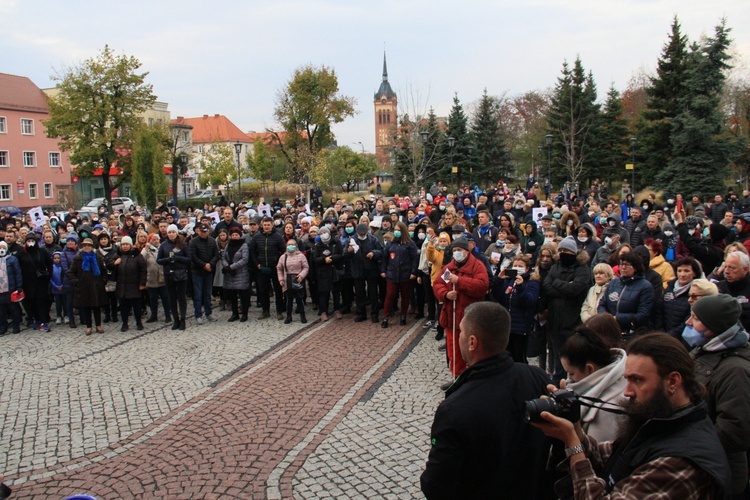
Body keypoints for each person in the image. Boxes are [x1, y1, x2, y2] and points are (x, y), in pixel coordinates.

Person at [534, 332, 731, 499]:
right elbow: (611, 455)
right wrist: (573, 426)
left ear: (673, 381)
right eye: (627, 379)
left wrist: (573, 443)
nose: (627, 392)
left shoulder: (681, 463)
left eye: (637, 380)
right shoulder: (663, 420)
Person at [420, 302, 551, 499]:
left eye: (461, 332)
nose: (459, 337)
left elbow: (436, 484)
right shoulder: (538, 377)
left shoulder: (455, 408)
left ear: (472, 342)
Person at [685, 294, 750, 498]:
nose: (687, 322)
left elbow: (734, 431)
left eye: (695, 318)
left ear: (713, 326)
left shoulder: (736, 370)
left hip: (719, 471)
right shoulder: (703, 351)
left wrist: (686, 444)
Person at [432, 238, 490, 385]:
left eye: (459, 250)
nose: (457, 253)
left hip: (470, 318)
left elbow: (482, 286)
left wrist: (460, 282)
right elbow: (438, 284)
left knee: (471, 351)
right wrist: (445, 294)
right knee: (454, 352)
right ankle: (457, 378)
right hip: (452, 318)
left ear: (467, 251)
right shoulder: (449, 268)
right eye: (454, 251)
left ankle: (473, 380)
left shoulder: (477, 266)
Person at [560, 327, 627, 442]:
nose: (568, 380)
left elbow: (596, 457)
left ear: (589, 369)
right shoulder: (618, 379)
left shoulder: (607, 411)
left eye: (571, 373)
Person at [542, 236, 591, 382]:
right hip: (555, 320)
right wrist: (565, 286)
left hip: (572, 320)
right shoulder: (555, 267)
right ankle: (557, 382)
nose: (563, 253)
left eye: (566, 250)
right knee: (557, 355)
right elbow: (546, 287)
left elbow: (575, 289)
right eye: (561, 250)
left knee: (572, 356)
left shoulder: (583, 269)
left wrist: (557, 283)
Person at [492, 254, 540, 363]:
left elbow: (529, 301)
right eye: (515, 265)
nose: (517, 268)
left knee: (519, 357)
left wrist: (520, 287)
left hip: (521, 326)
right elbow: (498, 296)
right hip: (507, 325)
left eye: (520, 266)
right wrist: (499, 280)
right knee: (506, 357)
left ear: (527, 268)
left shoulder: (532, 282)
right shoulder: (508, 280)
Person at [597, 251, 655, 337]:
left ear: (635, 267)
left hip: (632, 333)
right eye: (621, 264)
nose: (623, 267)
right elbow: (602, 304)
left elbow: (643, 315)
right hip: (610, 330)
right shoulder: (613, 283)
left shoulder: (645, 286)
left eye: (627, 264)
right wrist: (606, 318)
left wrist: (617, 318)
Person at [380, 221, 419, 328]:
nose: (396, 232)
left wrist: (413, 272)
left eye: (399, 230)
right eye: (395, 230)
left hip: (405, 274)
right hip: (391, 274)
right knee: (390, 295)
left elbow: (414, 259)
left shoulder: (410, 244)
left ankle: (403, 315)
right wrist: (383, 271)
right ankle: (386, 317)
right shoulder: (390, 244)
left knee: (405, 296)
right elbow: (385, 258)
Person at [250, 217, 286, 320]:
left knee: (278, 290)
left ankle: (279, 311)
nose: (266, 227)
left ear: (272, 225)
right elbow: (252, 251)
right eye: (264, 225)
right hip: (261, 267)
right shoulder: (257, 237)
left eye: (268, 225)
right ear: (262, 225)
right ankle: (265, 311)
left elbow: (283, 251)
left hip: (275, 267)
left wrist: (279, 264)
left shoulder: (278, 237)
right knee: (263, 290)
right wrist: (257, 264)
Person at [67, 238, 106, 335]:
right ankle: (89, 326)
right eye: (85, 246)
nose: (87, 247)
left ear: (92, 247)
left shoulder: (98, 257)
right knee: (86, 308)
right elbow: (71, 272)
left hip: (96, 286)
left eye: (88, 245)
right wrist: (76, 282)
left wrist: (103, 281)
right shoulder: (78, 258)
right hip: (84, 286)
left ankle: (98, 325)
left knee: (97, 307)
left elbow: (103, 270)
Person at [347, 223, 383, 323]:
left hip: (371, 269)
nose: (362, 236)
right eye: (360, 234)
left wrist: (374, 253)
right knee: (359, 293)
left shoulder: (373, 239)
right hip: (358, 269)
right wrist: (348, 251)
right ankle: (361, 313)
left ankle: (374, 314)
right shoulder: (351, 240)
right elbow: (345, 255)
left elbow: (381, 251)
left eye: (364, 234)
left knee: (373, 293)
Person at [109, 235, 147, 332]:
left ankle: (139, 322)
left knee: (136, 306)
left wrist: (142, 283)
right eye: (123, 244)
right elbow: (109, 266)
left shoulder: (137, 255)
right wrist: (114, 264)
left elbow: (143, 270)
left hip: (134, 284)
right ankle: (124, 323)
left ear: (130, 245)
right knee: (123, 307)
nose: (125, 246)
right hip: (121, 285)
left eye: (127, 244)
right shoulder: (117, 255)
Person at [659, 257, 701, 340]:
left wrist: (670, 336)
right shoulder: (670, 287)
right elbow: (659, 311)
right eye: (679, 271)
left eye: (686, 271)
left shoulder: (697, 292)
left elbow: (690, 319)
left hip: (682, 339)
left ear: (694, 273)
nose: (682, 274)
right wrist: (660, 333)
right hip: (662, 336)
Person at [17, 233, 52, 331]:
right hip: (27, 282)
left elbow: (49, 264)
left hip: (41, 281)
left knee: (42, 301)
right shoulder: (22, 253)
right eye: (28, 241)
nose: (30, 243)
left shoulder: (42, 251)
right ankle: (36, 319)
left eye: (32, 240)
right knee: (30, 302)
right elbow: (18, 268)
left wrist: (48, 276)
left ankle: (44, 321)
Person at [157, 225, 190, 330]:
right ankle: (175, 319)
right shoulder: (163, 245)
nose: (171, 234)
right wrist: (167, 260)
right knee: (172, 298)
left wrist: (178, 258)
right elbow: (159, 260)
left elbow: (189, 258)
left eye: (173, 232)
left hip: (180, 273)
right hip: (168, 274)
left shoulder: (182, 244)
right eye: (169, 232)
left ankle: (183, 319)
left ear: (176, 233)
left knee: (181, 297)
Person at [189, 223, 220, 324]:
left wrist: (210, 264)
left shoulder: (212, 241)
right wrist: (203, 265)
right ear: (198, 231)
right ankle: (198, 315)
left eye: (205, 231)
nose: (203, 233)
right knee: (198, 294)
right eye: (202, 231)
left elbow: (216, 254)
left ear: (208, 231)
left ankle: (208, 313)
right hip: (197, 271)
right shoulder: (193, 242)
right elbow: (193, 256)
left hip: (209, 271)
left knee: (207, 293)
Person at [221, 227, 252, 322]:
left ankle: (244, 314)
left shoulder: (244, 245)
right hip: (229, 274)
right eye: (233, 235)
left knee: (243, 296)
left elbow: (244, 259)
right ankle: (235, 314)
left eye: (236, 235)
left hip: (240, 273)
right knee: (232, 295)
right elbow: (223, 257)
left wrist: (232, 267)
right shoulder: (228, 245)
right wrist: (226, 266)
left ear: (240, 235)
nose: (234, 236)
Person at [313, 226, 344, 321]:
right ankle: (323, 312)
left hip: (335, 271)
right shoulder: (318, 245)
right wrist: (324, 259)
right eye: (321, 233)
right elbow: (315, 259)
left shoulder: (336, 242)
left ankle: (337, 310)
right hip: (323, 273)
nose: (323, 234)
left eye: (324, 232)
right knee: (324, 294)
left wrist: (332, 258)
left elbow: (341, 255)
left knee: (336, 292)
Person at [276, 238, 309, 324]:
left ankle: (302, 316)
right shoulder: (283, 257)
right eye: (289, 245)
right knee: (288, 300)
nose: (290, 246)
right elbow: (279, 269)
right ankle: (288, 316)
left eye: (292, 244)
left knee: (299, 299)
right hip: (287, 280)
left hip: (297, 279)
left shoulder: (301, 256)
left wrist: (301, 275)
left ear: (296, 246)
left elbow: (306, 267)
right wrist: (281, 279)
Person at [142, 233, 171, 324]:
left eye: (157, 239)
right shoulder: (146, 250)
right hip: (151, 278)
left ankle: (168, 315)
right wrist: (146, 249)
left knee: (165, 298)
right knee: (153, 299)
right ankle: (154, 315)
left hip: (162, 277)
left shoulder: (162, 248)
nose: (156, 241)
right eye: (154, 239)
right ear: (149, 240)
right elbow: (141, 259)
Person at [717, 251, 750, 332]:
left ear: (745, 270)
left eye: (732, 268)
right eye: (725, 267)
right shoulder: (718, 287)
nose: (727, 272)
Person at [0, 241, 22, 334]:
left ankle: (16, 325)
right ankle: (2, 326)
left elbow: (17, 273)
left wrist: (19, 286)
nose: (2, 250)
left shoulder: (12, 259)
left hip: (11, 288)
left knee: (13, 308)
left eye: (3, 248)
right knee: (1, 310)